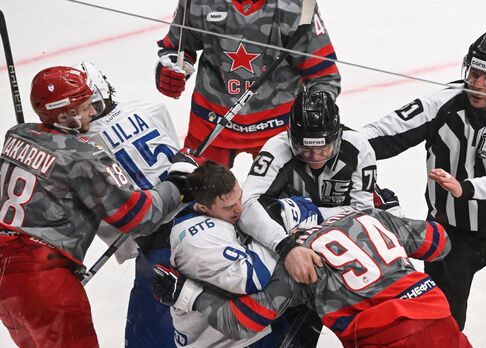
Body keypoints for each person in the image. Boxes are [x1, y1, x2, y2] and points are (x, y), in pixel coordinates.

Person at [361, 29, 486, 347]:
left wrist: (466, 188)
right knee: (439, 327)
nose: (478, 84)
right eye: (473, 73)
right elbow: (382, 133)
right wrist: (334, 141)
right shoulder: (441, 102)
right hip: (449, 235)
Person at [0, 66, 188, 347]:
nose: (92, 114)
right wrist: (177, 183)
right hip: (44, 279)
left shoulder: (16, 134)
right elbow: (140, 216)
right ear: (65, 115)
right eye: (86, 107)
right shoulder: (85, 156)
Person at [155, 208, 473, 348]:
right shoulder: (368, 216)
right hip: (438, 319)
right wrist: (393, 220)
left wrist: (186, 293)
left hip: (383, 337)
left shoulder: (296, 260)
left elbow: (242, 322)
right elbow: (439, 242)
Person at [234, 89, 378, 346]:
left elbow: (364, 213)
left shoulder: (358, 147)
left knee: (368, 328)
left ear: (337, 135)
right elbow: (246, 206)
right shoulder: (277, 148)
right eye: (303, 149)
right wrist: (285, 245)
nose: (314, 157)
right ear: (291, 137)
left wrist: (307, 214)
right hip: (293, 250)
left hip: (342, 245)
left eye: (324, 148)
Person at [155, 0, 341, 168]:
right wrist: (172, 69)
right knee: (195, 198)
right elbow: (177, 48)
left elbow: (323, 74)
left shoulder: (297, 5)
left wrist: (318, 108)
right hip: (211, 120)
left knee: (283, 203)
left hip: (278, 127)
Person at [74, 61, 183, 348]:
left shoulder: (77, 146)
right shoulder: (151, 108)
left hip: (155, 241)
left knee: (146, 336)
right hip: (195, 212)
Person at [161, 160, 291, 347]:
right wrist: (279, 232)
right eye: (229, 207)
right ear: (204, 207)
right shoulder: (196, 239)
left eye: (239, 197)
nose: (239, 208)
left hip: (248, 332)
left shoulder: (221, 212)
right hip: (217, 341)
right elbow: (253, 277)